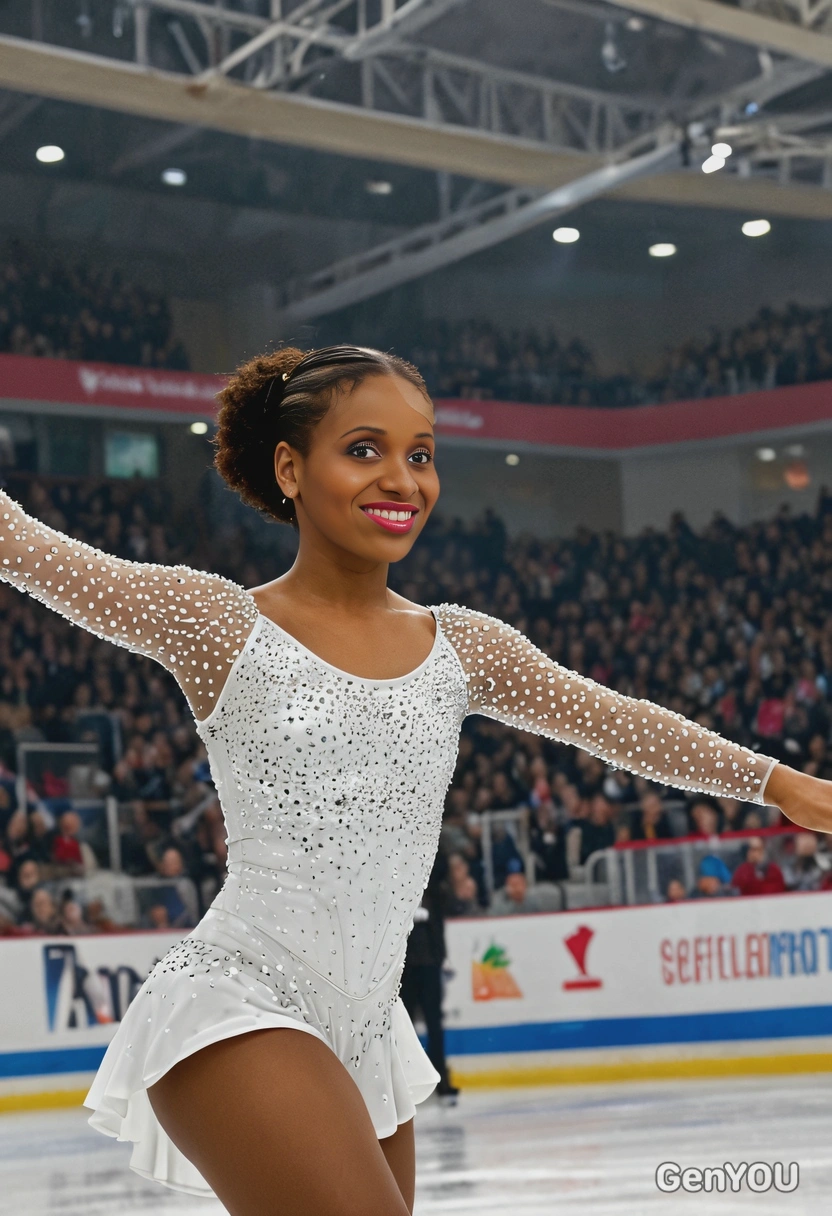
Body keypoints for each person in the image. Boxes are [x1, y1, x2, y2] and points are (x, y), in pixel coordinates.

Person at [0, 343, 829, 1216]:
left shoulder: (464, 646)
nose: (402, 478)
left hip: (368, 1029)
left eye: (421, 454)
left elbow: (616, 722)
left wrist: (781, 784)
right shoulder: (219, 624)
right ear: (290, 467)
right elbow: (24, 547)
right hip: (237, 1002)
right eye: (364, 450)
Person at [488, 857, 563, 914]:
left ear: (525, 885)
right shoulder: (499, 899)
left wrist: (520, 900)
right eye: (513, 885)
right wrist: (513, 903)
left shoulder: (533, 899)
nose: (516, 888)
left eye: (518, 884)